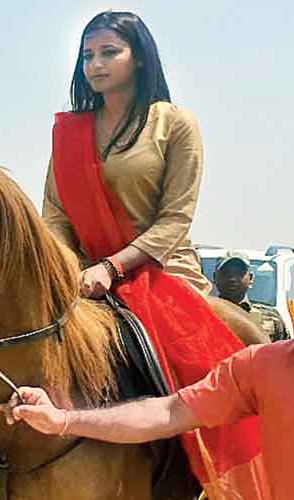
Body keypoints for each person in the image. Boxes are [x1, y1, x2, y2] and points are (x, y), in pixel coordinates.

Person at [41, 11, 262, 493]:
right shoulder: (68, 133)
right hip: (82, 278)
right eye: (87, 56)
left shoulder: (175, 125)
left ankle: (200, 473)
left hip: (160, 271)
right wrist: (70, 271)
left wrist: (113, 267)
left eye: (108, 53)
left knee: (198, 365)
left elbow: (176, 219)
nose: (94, 65)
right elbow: (54, 216)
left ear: (138, 57)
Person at [0, 339, 292, 499]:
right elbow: (167, 412)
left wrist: (116, 265)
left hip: (155, 262)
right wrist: (62, 420)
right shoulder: (261, 365)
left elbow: (172, 224)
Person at [214, 251, 289, 342]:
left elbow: (284, 353)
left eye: (239, 273)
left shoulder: (272, 318)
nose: (232, 279)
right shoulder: (206, 313)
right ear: (215, 277)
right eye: (226, 273)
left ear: (251, 278)